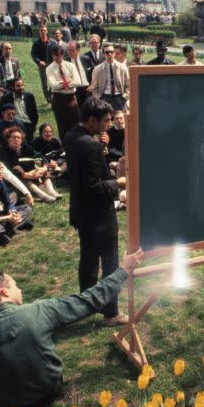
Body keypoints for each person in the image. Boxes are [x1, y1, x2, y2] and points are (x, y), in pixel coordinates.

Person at [0, 248, 144, 407]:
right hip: (49, 391)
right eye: (15, 286)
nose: (20, 290)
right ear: (4, 292)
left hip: (7, 404)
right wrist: (124, 269)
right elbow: (88, 300)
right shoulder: (39, 309)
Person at [64, 97, 128, 325]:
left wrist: (101, 146)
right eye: (106, 121)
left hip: (81, 212)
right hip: (99, 216)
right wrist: (119, 183)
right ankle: (111, 313)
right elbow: (94, 188)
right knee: (110, 264)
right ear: (92, 120)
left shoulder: (72, 136)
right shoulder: (89, 145)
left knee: (88, 262)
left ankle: (85, 306)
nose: (109, 124)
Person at [1, 126, 61, 202]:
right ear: (8, 138)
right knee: (19, 175)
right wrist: (26, 174)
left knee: (42, 170)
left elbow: (40, 156)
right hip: (13, 180)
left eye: (19, 138)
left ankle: (52, 192)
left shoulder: (24, 147)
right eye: (14, 137)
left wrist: (44, 167)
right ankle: (44, 196)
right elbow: (11, 167)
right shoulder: (4, 150)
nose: (16, 139)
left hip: (28, 173)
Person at [46, 46, 81, 139]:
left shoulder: (70, 66)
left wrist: (61, 84)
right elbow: (53, 85)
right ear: (52, 56)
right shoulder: (49, 68)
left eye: (60, 55)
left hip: (71, 98)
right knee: (62, 125)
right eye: (55, 55)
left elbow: (78, 82)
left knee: (75, 122)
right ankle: (65, 146)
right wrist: (68, 82)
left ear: (63, 55)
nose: (58, 57)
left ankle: (77, 142)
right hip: (58, 98)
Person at [88, 43, 129, 112]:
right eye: (107, 52)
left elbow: (128, 85)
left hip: (119, 97)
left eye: (111, 52)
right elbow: (94, 87)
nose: (109, 54)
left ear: (114, 54)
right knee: (106, 120)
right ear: (103, 54)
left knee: (120, 120)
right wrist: (99, 98)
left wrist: (125, 97)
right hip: (104, 97)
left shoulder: (122, 68)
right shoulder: (97, 69)